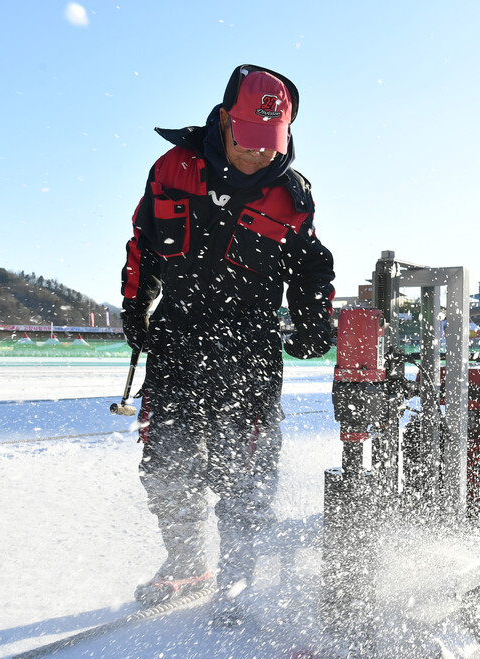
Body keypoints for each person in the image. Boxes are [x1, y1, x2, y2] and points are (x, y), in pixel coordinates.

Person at [120, 64, 335, 625]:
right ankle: (186, 562)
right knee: (167, 464)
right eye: (248, 139)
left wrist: (313, 320)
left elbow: (311, 269)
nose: (258, 153)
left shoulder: (292, 197)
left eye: (271, 142)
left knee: (246, 471)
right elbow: (144, 241)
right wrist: (135, 303)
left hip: (248, 348)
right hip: (178, 340)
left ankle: (239, 577)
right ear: (222, 120)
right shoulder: (173, 168)